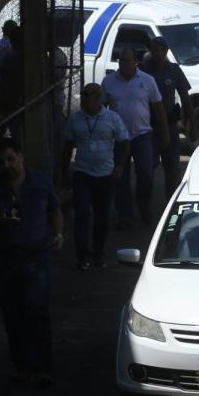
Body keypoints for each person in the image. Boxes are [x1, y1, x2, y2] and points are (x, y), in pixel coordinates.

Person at [0, 137, 63, 389]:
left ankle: (43, 368)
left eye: (11, 159)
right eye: (1, 161)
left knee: (38, 312)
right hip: (5, 259)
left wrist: (58, 234)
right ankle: (22, 366)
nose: (7, 165)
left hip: (37, 256)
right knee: (13, 314)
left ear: (21, 157)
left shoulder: (39, 182)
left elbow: (55, 209)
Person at [62, 83, 129, 269]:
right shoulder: (75, 119)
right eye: (83, 96)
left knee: (102, 216)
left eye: (88, 96)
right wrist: (65, 171)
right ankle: (82, 256)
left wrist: (120, 165)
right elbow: (67, 146)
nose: (84, 99)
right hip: (82, 172)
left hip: (105, 174)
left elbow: (124, 141)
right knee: (82, 214)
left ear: (99, 98)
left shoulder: (112, 118)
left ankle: (99, 254)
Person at [101, 48, 168, 228]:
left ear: (134, 62)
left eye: (127, 60)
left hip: (142, 135)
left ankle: (144, 207)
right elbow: (101, 109)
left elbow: (158, 106)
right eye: (121, 60)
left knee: (146, 172)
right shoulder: (108, 82)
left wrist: (165, 132)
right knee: (120, 177)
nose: (123, 64)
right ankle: (125, 215)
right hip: (118, 138)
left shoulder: (147, 80)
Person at [139, 36, 196, 199]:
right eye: (155, 50)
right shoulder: (141, 70)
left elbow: (185, 98)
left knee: (173, 169)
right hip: (147, 128)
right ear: (150, 51)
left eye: (161, 50)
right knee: (146, 170)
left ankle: (173, 206)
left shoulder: (174, 70)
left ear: (166, 51)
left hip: (170, 127)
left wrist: (192, 125)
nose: (158, 53)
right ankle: (144, 207)